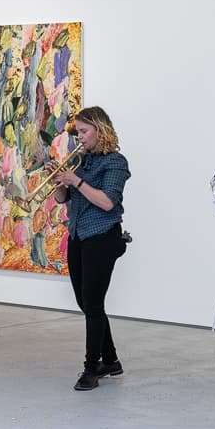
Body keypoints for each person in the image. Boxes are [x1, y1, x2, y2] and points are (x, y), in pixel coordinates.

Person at [50, 106, 130, 391]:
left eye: (84, 132)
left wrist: (77, 181)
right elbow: (63, 199)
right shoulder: (81, 161)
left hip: (103, 236)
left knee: (93, 304)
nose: (79, 138)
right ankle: (111, 360)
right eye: (78, 132)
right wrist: (59, 182)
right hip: (78, 236)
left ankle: (90, 368)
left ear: (100, 129)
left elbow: (108, 202)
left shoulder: (116, 162)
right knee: (87, 303)